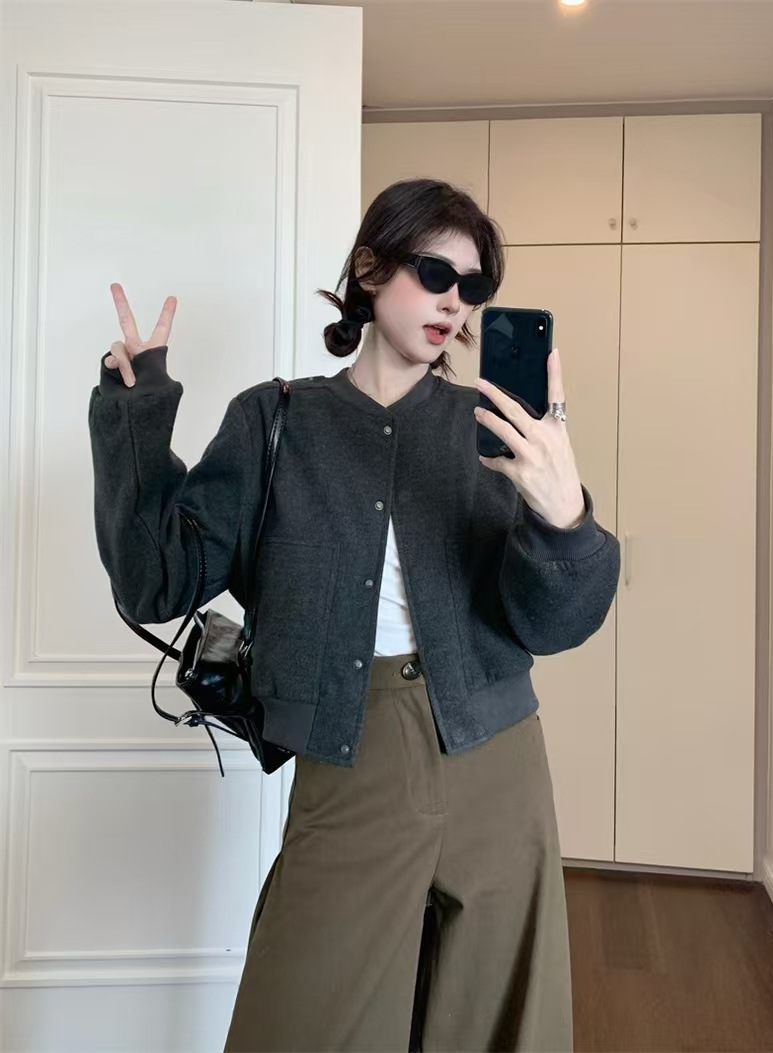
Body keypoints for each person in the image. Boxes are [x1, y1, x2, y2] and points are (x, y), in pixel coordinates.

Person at [89, 178, 621, 1052]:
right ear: (370, 269)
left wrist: (564, 515)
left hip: (498, 758)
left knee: (497, 1022)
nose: (454, 302)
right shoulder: (275, 419)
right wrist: (136, 412)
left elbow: (553, 624)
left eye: (473, 286)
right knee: (306, 1020)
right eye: (434, 273)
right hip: (349, 752)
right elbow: (156, 580)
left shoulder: (492, 428)